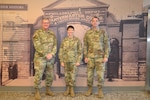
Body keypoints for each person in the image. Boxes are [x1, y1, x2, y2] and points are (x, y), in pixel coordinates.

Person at [83, 16, 110, 98]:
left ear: (99, 22)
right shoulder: (88, 33)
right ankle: (89, 89)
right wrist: (85, 56)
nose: (95, 22)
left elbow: (107, 45)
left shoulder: (103, 32)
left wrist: (106, 56)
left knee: (100, 75)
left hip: (100, 57)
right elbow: (85, 46)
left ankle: (100, 90)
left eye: (96, 21)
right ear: (91, 22)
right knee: (89, 75)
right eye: (93, 21)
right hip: (90, 57)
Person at [33, 18, 57, 100]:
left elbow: (55, 45)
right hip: (40, 58)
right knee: (38, 75)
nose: (46, 24)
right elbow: (37, 46)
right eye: (44, 23)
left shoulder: (52, 34)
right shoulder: (37, 33)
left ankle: (48, 90)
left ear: (49, 23)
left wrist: (52, 54)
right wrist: (45, 54)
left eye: (47, 23)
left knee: (50, 75)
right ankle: (37, 92)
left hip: (50, 58)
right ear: (42, 24)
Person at [59, 25, 82, 97]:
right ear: (67, 31)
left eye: (71, 30)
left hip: (74, 61)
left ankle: (72, 89)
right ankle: (67, 89)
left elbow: (80, 51)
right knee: (66, 75)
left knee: (73, 75)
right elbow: (61, 51)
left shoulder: (77, 40)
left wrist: (78, 61)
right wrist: (61, 61)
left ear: (73, 31)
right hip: (66, 61)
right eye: (69, 30)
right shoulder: (64, 40)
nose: (70, 31)